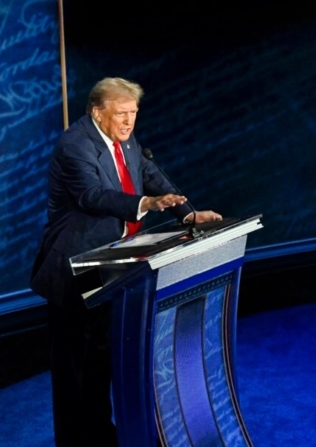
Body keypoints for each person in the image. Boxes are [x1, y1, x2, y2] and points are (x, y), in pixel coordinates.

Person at [30, 77, 222, 446]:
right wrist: (143, 204)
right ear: (98, 112)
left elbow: (151, 176)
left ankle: (101, 436)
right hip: (75, 268)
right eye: (122, 113)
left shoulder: (127, 140)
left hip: (114, 265)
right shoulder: (74, 145)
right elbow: (92, 195)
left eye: (133, 113)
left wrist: (187, 214)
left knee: (101, 362)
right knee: (75, 371)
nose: (129, 121)